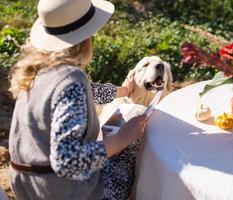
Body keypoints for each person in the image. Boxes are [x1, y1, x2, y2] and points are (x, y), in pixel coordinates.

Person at [8, 0, 147, 199]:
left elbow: (91, 92)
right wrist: (123, 138)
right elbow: (67, 160)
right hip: (60, 191)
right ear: (86, 39)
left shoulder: (37, 74)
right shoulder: (72, 80)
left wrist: (124, 90)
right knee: (128, 151)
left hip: (29, 187)